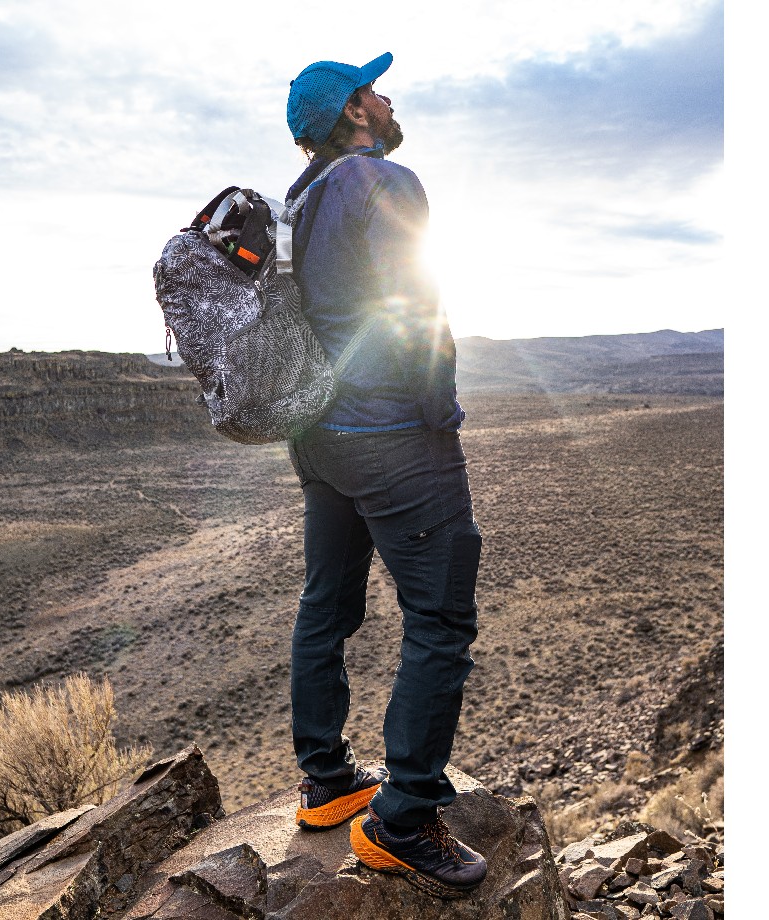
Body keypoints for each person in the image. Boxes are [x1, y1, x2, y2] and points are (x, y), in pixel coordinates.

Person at [283, 52, 488, 900]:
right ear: (355, 112)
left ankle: (329, 782)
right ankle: (401, 822)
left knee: (325, 603)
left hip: (319, 437)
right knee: (440, 619)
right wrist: (438, 415)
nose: (389, 95)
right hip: (396, 438)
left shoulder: (299, 200)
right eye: (376, 87)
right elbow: (420, 305)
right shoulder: (384, 180)